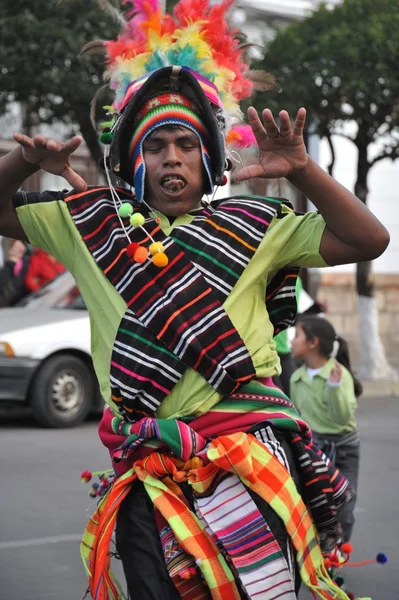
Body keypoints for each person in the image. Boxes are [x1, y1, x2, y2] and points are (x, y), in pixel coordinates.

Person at [0, 1, 389, 598]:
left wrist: (306, 171)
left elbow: (369, 238)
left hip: (247, 463)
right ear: (134, 158)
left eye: (185, 143)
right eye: (156, 146)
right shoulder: (91, 223)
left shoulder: (258, 224)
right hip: (148, 473)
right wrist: (22, 161)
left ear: (209, 158)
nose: (172, 157)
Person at [290, 316, 362, 544]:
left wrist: (334, 387)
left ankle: (338, 551)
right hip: (314, 448)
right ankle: (319, 553)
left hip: (343, 448)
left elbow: (341, 419)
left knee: (344, 504)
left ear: (313, 343)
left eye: (297, 335)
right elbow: (298, 418)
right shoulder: (296, 378)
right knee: (314, 505)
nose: (291, 341)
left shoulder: (340, 375)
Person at [0, 238, 30, 307]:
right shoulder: (8, 266)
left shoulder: (27, 264)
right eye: (14, 246)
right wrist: (11, 262)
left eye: (22, 244)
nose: (19, 247)